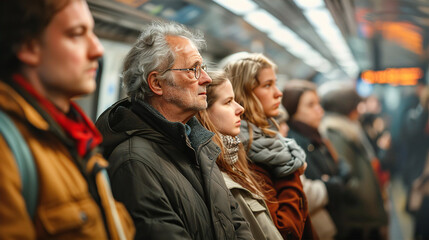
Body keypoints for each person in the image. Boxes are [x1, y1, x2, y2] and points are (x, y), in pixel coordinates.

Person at [95, 21, 254, 239]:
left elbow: (236, 222)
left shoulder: (200, 145)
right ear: (157, 83)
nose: (206, 79)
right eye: (193, 70)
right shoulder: (134, 162)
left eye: (203, 69)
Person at [0, 0, 135, 239]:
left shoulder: (77, 137)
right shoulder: (8, 150)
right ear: (29, 47)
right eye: (76, 34)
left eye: (92, 32)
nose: (97, 49)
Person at [223, 52, 318, 239]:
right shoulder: (244, 153)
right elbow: (285, 230)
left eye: (275, 83)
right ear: (243, 93)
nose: (278, 92)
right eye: (267, 85)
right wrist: (291, 174)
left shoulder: (273, 142)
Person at [197, 70, 283, 240]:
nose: (240, 109)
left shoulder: (235, 160)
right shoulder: (214, 174)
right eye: (228, 102)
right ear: (204, 113)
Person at [282, 79, 352, 239]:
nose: (319, 110)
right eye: (310, 105)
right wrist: (336, 181)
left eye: (318, 103)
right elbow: (319, 181)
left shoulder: (317, 136)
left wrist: (334, 179)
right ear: (293, 110)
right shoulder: (295, 143)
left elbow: (341, 166)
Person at [318, 83, 388, 240]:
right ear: (347, 108)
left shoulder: (349, 129)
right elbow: (347, 174)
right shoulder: (336, 133)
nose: (361, 110)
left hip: (364, 212)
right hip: (359, 216)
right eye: (357, 105)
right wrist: (365, 195)